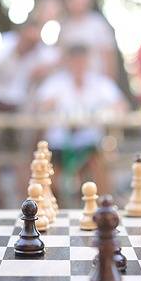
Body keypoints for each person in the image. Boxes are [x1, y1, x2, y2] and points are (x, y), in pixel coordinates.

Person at [36, 44, 128, 200]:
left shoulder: (99, 83)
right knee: (48, 173)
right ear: (68, 62)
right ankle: (54, 204)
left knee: (99, 163)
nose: (79, 65)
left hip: (89, 144)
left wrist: (107, 112)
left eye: (82, 61)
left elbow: (121, 105)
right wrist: (49, 105)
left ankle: (104, 203)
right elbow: (40, 106)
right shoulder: (56, 83)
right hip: (59, 144)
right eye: (75, 61)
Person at [0, 17, 59, 112]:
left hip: (19, 108)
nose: (29, 46)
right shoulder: (2, 48)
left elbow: (57, 58)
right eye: (28, 41)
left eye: (33, 43)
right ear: (21, 35)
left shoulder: (39, 56)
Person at [58, 0, 117, 80]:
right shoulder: (64, 27)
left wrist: (108, 82)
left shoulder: (98, 24)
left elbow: (109, 56)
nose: (81, 0)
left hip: (97, 80)